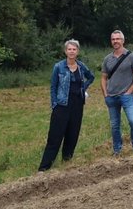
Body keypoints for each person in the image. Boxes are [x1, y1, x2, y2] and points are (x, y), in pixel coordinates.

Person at [38, 39, 95, 172]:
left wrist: (83, 88)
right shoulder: (58, 67)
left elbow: (91, 77)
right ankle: (44, 168)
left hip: (77, 105)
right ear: (65, 51)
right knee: (55, 137)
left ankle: (67, 163)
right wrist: (54, 104)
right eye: (69, 49)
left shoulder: (81, 67)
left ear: (78, 52)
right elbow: (53, 86)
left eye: (74, 49)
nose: (72, 51)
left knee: (72, 135)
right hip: (62, 106)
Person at [101, 30, 133, 156]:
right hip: (111, 97)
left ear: (123, 41)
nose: (115, 41)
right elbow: (103, 77)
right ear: (111, 41)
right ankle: (117, 150)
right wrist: (105, 94)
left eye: (118, 39)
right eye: (113, 39)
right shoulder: (107, 59)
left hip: (126, 97)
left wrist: (129, 92)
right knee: (115, 126)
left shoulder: (132, 57)